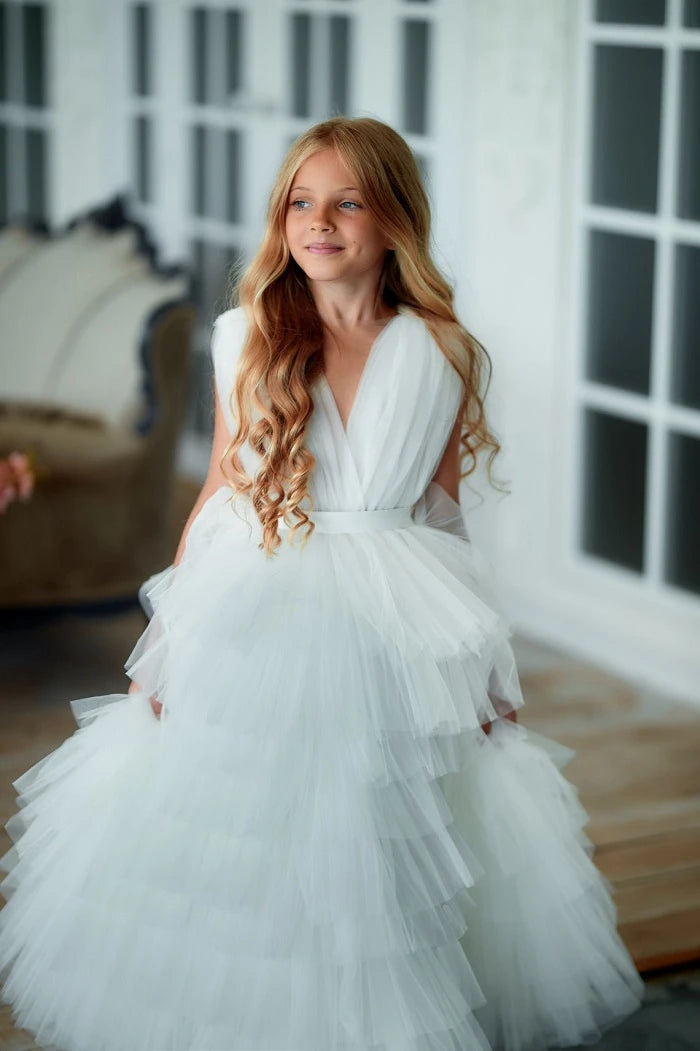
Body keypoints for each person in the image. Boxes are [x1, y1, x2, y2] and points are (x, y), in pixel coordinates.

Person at [0, 117, 644, 1051]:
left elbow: (444, 516)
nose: (320, 221)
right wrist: (170, 639)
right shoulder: (246, 334)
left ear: (395, 222)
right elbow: (221, 490)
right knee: (250, 827)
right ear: (281, 220)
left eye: (348, 202)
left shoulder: (442, 350)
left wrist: (485, 667)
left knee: (383, 824)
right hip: (263, 601)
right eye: (302, 202)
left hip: (393, 606)